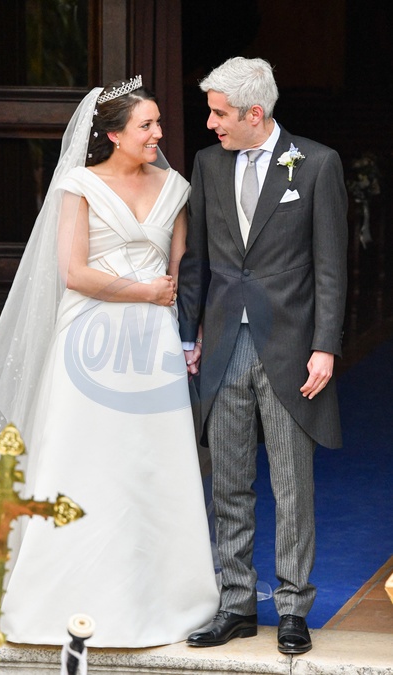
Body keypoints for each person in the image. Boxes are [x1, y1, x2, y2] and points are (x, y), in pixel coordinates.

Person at [0, 77, 219, 647]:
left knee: (155, 466)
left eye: (158, 123)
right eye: (146, 125)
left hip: (153, 345)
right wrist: (144, 292)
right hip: (88, 341)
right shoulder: (80, 185)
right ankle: (61, 599)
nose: (158, 134)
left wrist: (186, 329)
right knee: (87, 461)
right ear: (114, 134)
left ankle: (165, 597)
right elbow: (73, 272)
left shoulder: (176, 188)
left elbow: (181, 269)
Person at [177, 57, 348, 654]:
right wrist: (188, 336)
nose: (210, 124)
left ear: (255, 113)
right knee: (228, 481)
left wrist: (325, 346)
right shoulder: (207, 164)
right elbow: (196, 259)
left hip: (292, 348)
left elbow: (331, 265)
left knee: (292, 484)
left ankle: (294, 608)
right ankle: (237, 605)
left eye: (219, 113)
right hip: (223, 344)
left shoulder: (317, 163)